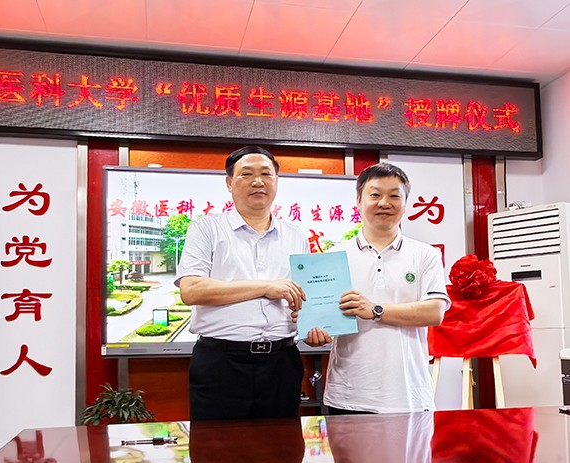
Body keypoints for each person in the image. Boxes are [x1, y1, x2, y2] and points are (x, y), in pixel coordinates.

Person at [175, 145, 309, 421]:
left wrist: (314, 322)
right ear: (229, 183)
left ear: (276, 181)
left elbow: (305, 297)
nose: (258, 181)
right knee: (217, 444)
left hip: (282, 362)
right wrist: (265, 287)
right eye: (247, 174)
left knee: (281, 443)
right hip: (220, 364)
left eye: (266, 174)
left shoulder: (296, 236)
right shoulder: (206, 228)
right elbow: (191, 290)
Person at [305, 162, 450, 414]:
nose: (384, 203)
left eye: (394, 196)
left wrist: (375, 310)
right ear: (358, 201)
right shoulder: (334, 256)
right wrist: (314, 333)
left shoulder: (425, 254)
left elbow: (434, 312)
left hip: (409, 395)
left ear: (405, 203)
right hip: (348, 395)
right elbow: (321, 320)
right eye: (375, 195)